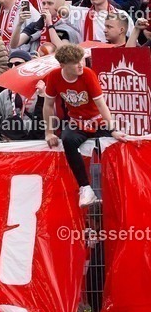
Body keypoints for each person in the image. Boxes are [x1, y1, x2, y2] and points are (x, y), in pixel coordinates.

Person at [43, 43, 127, 207]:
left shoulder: (88, 74)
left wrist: (113, 129)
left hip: (98, 121)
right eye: (75, 63)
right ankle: (85, 187)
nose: (81, 65)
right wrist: (49, 132)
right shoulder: (54, 76)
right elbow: (48, 105)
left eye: (81, 60)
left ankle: (119, 191)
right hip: (78, 122)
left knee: (114, 144)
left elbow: (101, 104)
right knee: (67, 140)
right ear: (63, 65)